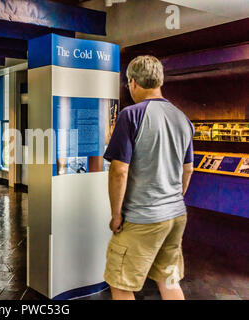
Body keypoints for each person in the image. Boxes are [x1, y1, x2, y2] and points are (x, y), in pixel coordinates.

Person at [103, 55, 194, 300]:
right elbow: (188, 170)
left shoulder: (130, 115)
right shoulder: (182, 118)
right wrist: (172, 199)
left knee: (120, 283)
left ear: (132, 82)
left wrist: (116, 215)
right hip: (175, 215)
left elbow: (119, 171)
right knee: (169, 280)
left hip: (142, 218)